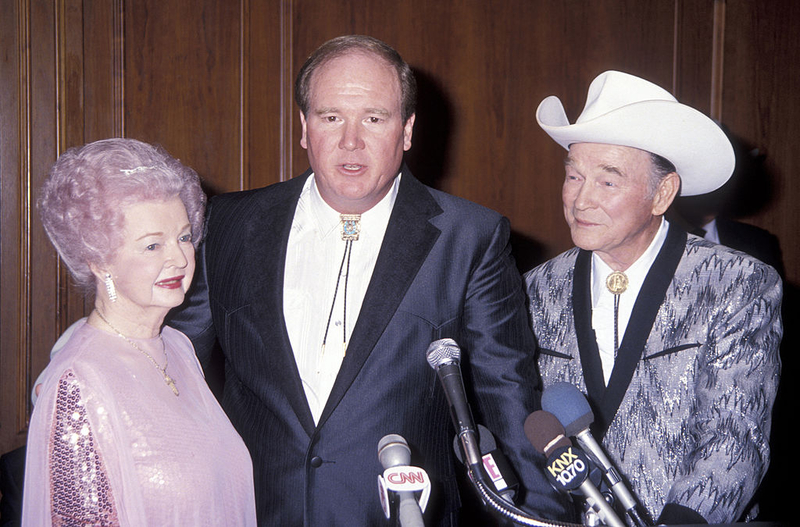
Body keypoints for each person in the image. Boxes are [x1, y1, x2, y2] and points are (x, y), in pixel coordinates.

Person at [169, 35, 567, 525]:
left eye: (374, 118)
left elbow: (509, 402)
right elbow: (171, 368)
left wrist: (539, 519)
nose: (350, 140)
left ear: (406, 131)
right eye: (330, 117)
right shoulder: (228, 224)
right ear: (304, 127)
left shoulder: (471, 238)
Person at [525, 70, 782, 525]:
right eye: (573, 176)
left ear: (662, 193)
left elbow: (734, 438)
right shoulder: (535, 289)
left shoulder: (735, 283)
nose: (580, 200)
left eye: (607, 182)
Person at [23, 138, 257, 525]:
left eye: (184, 237)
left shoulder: (177, 347)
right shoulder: (78, 383)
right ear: (98, 259)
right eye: (152, 246)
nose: (180, 258)